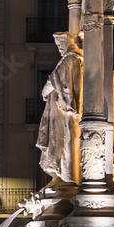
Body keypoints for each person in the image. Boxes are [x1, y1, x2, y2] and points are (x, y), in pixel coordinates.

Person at [36, 32, 83, 185]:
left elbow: (61, 82)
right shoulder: (70, 60)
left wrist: (45, 91)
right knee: (60, 143)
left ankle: (66, 176)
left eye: (60, 45)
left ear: (66, 44)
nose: (59, 48)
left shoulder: (69, 60)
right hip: (61, 110)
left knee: (63, 143)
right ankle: (62, 174)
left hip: (64, 110)